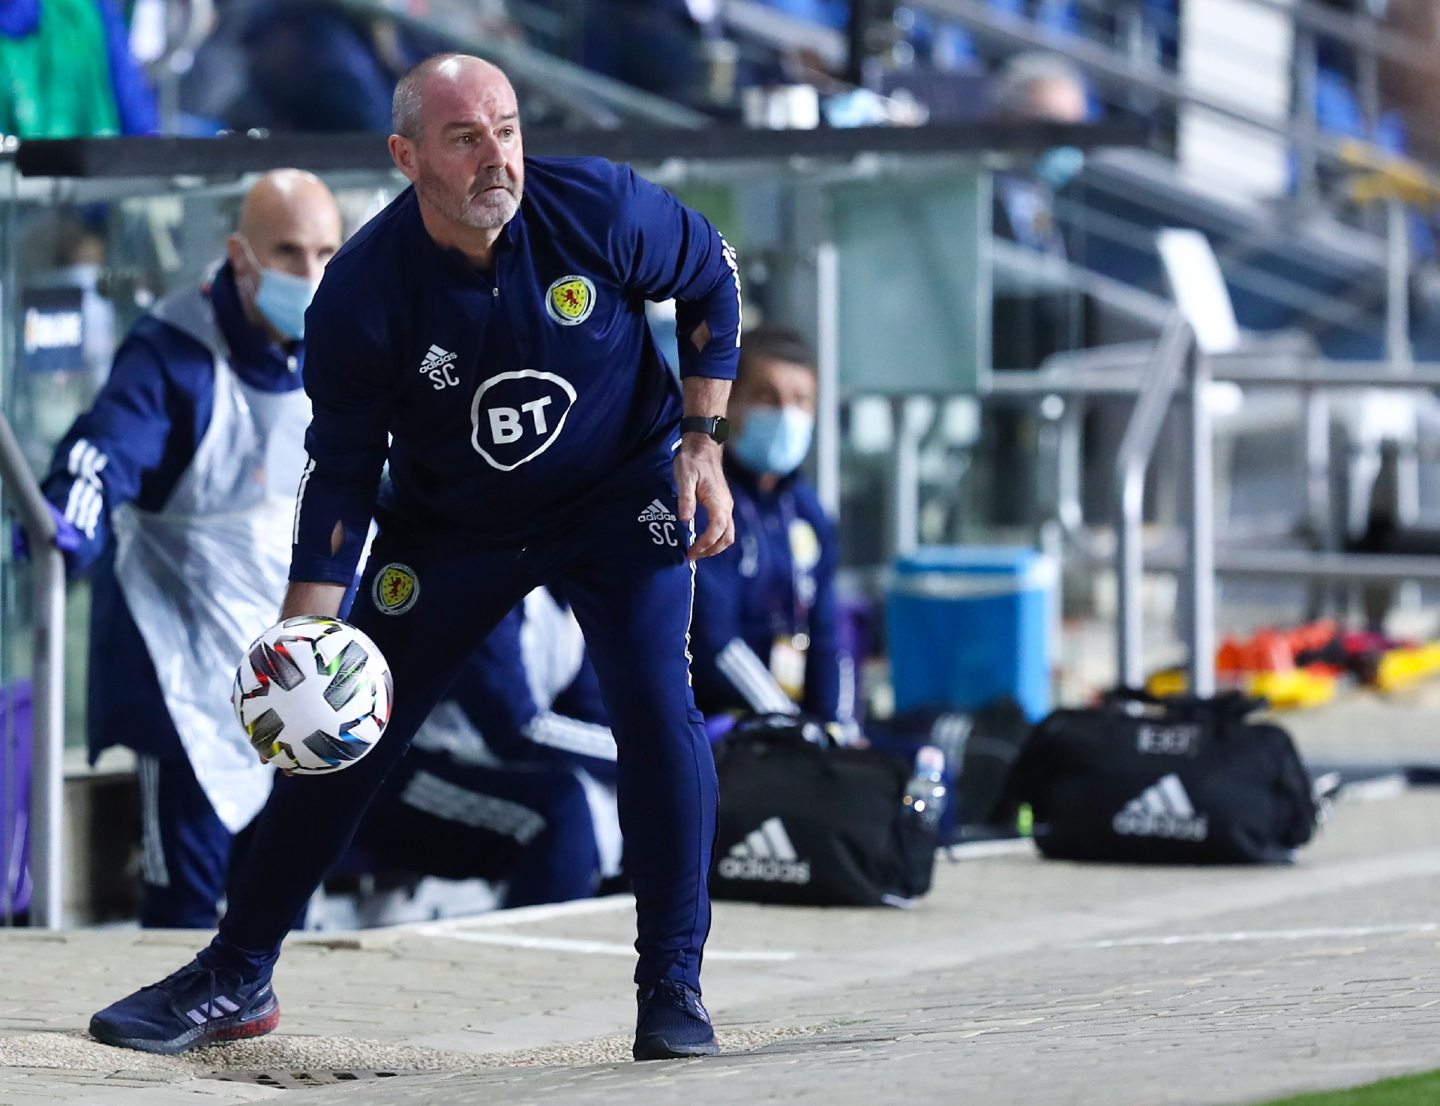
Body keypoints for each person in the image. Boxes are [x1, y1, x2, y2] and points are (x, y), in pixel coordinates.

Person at [89, 53, 741, 1062]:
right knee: (345, 722)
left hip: (617, 493)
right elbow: (342, 470)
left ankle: (674, 983)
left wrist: (703, 436)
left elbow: (710, 276)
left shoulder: (598, 207)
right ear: (406, 157)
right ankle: (236, 971)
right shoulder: (358, 295)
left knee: (657, 706)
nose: (497, 157)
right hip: (453, 526)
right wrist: (307, 631)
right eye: (464, 138)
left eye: (508, 129)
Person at [32, 170, 342, 928]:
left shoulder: (345, 343)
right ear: (240, 255)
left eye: (328, 254)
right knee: (182, 908)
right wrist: (62, 526)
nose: (311, 276)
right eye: (289, 253)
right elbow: (101, 454)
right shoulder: (172, 351)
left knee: (285, 899)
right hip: (183, 675)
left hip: (295, 665)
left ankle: (265, 1039)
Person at [347, 587, 623, 910]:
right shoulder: (490, 586)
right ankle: (535, 956)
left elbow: (591, 716)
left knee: (651, 801)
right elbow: (515, 730)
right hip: (401, 773)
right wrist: (652, 759)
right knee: (563, 808)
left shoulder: (575, 602)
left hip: (481, 769)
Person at [688, 325, 855, 736]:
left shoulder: (808, 511)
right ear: (731, 405)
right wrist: (792, 726)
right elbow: (715, 641)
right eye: (767, 397)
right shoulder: (705, 502)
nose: (786, 414)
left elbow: (828, 636)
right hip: (716, 721)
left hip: (790, 724)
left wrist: (836, 726)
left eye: (800, 402)